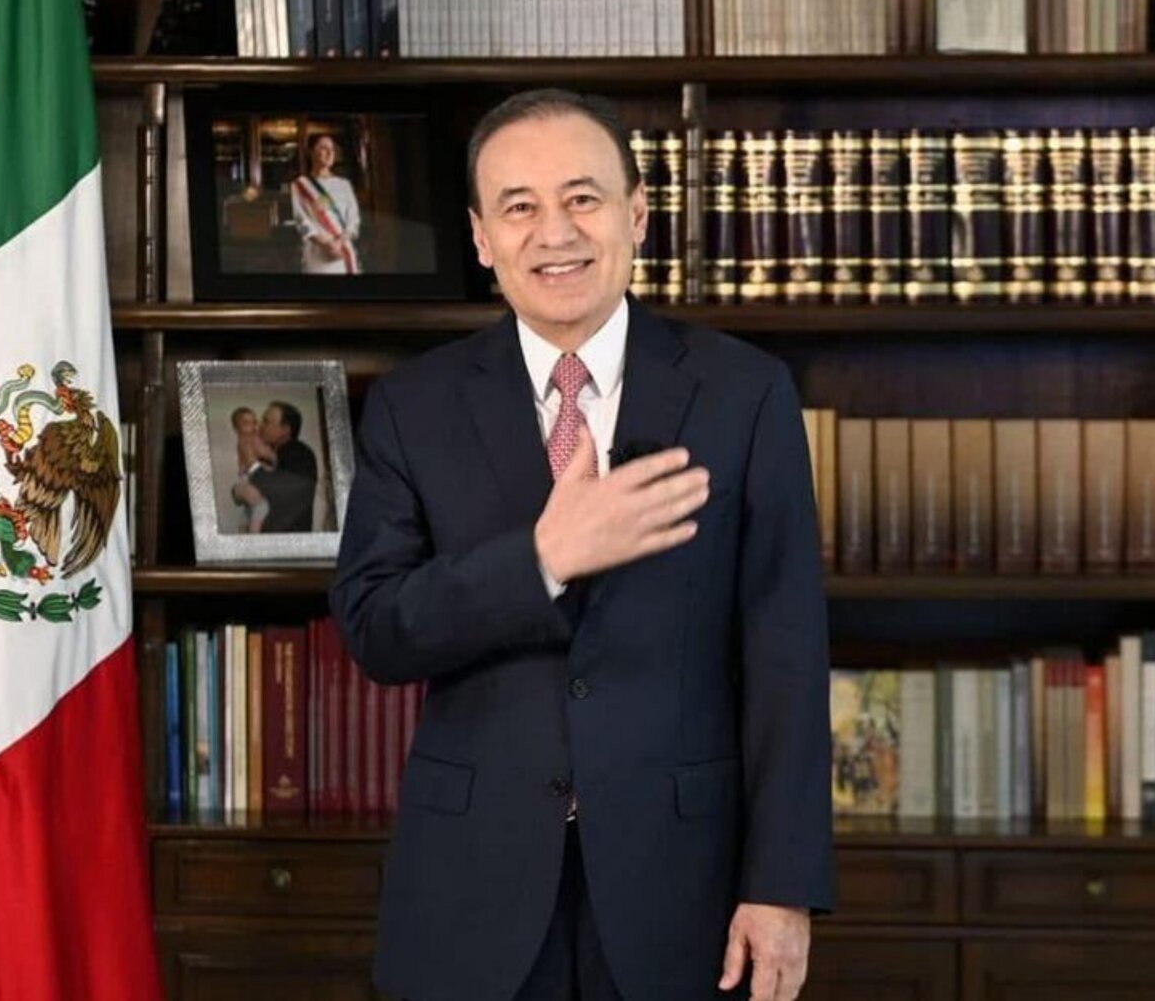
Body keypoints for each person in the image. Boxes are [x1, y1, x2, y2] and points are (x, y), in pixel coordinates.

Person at [330, 89, 833, 1001]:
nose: (554, 232)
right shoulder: (413, 405)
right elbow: (376, 628)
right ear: (482, 237)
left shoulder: (744, 393)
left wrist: (782, 884)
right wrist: (542, 559)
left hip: (682, 886)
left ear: (636, 213)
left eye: (582, 198)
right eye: (519, 206)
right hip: (471, 886)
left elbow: (786, 652)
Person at [236, 401, 318, 533]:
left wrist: (251, 460)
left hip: (289, 541)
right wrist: (237, 490)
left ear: (284, 430)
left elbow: (277, 489)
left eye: (266, 421)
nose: (260, 426)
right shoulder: (273, 456)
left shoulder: (300, 452)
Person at [291, 133, 362, 275]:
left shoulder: (344, 184)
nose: (330, 153)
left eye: (332, 149)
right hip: (317, 254)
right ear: (311, 152)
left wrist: (339, 242)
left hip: (343, 251)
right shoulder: (300, 185)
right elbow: (301, 221)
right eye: (323, 148)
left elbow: (354, 219)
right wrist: (325, 244)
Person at [229, 405, 275, 534]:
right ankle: (254, 534)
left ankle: (244, 528)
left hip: (249, 479)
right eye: (246, 423)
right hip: (249, 479)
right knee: (261, 505)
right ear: (236, 428)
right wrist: (271, 463)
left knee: (251, 508)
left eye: (254, 422)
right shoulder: (248, 440)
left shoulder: (249, 440)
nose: (252, 427)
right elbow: (265, 457)